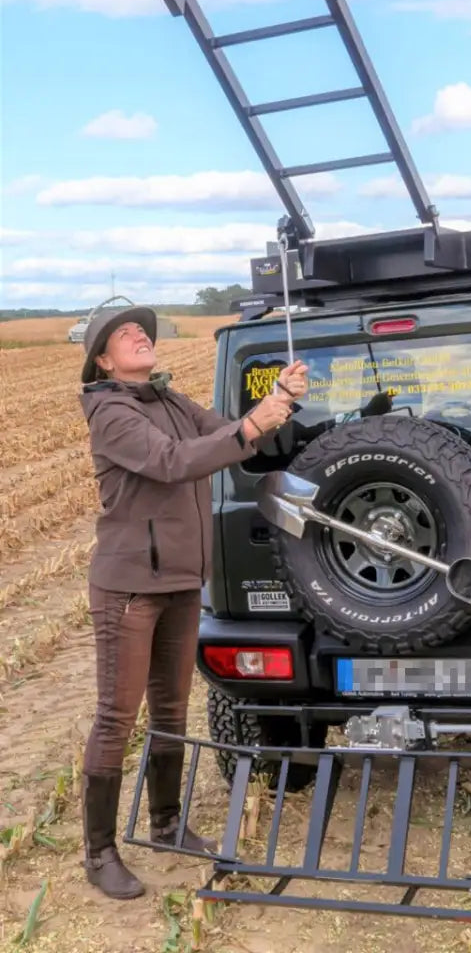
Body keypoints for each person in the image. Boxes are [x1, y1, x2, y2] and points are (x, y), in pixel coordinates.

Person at [77, 304, 308, 901]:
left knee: (173, 710)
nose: (139, 335)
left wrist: (279, 401)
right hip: (128, 587)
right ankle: (99, 850)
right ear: (103, 359)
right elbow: (172, 462)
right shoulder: (111, 411)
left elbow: (231, 440)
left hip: (182, 581)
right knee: (116, 717)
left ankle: (167, 822)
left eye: (143, 330)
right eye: (124, 333)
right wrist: (252, 424)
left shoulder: (171, 401)